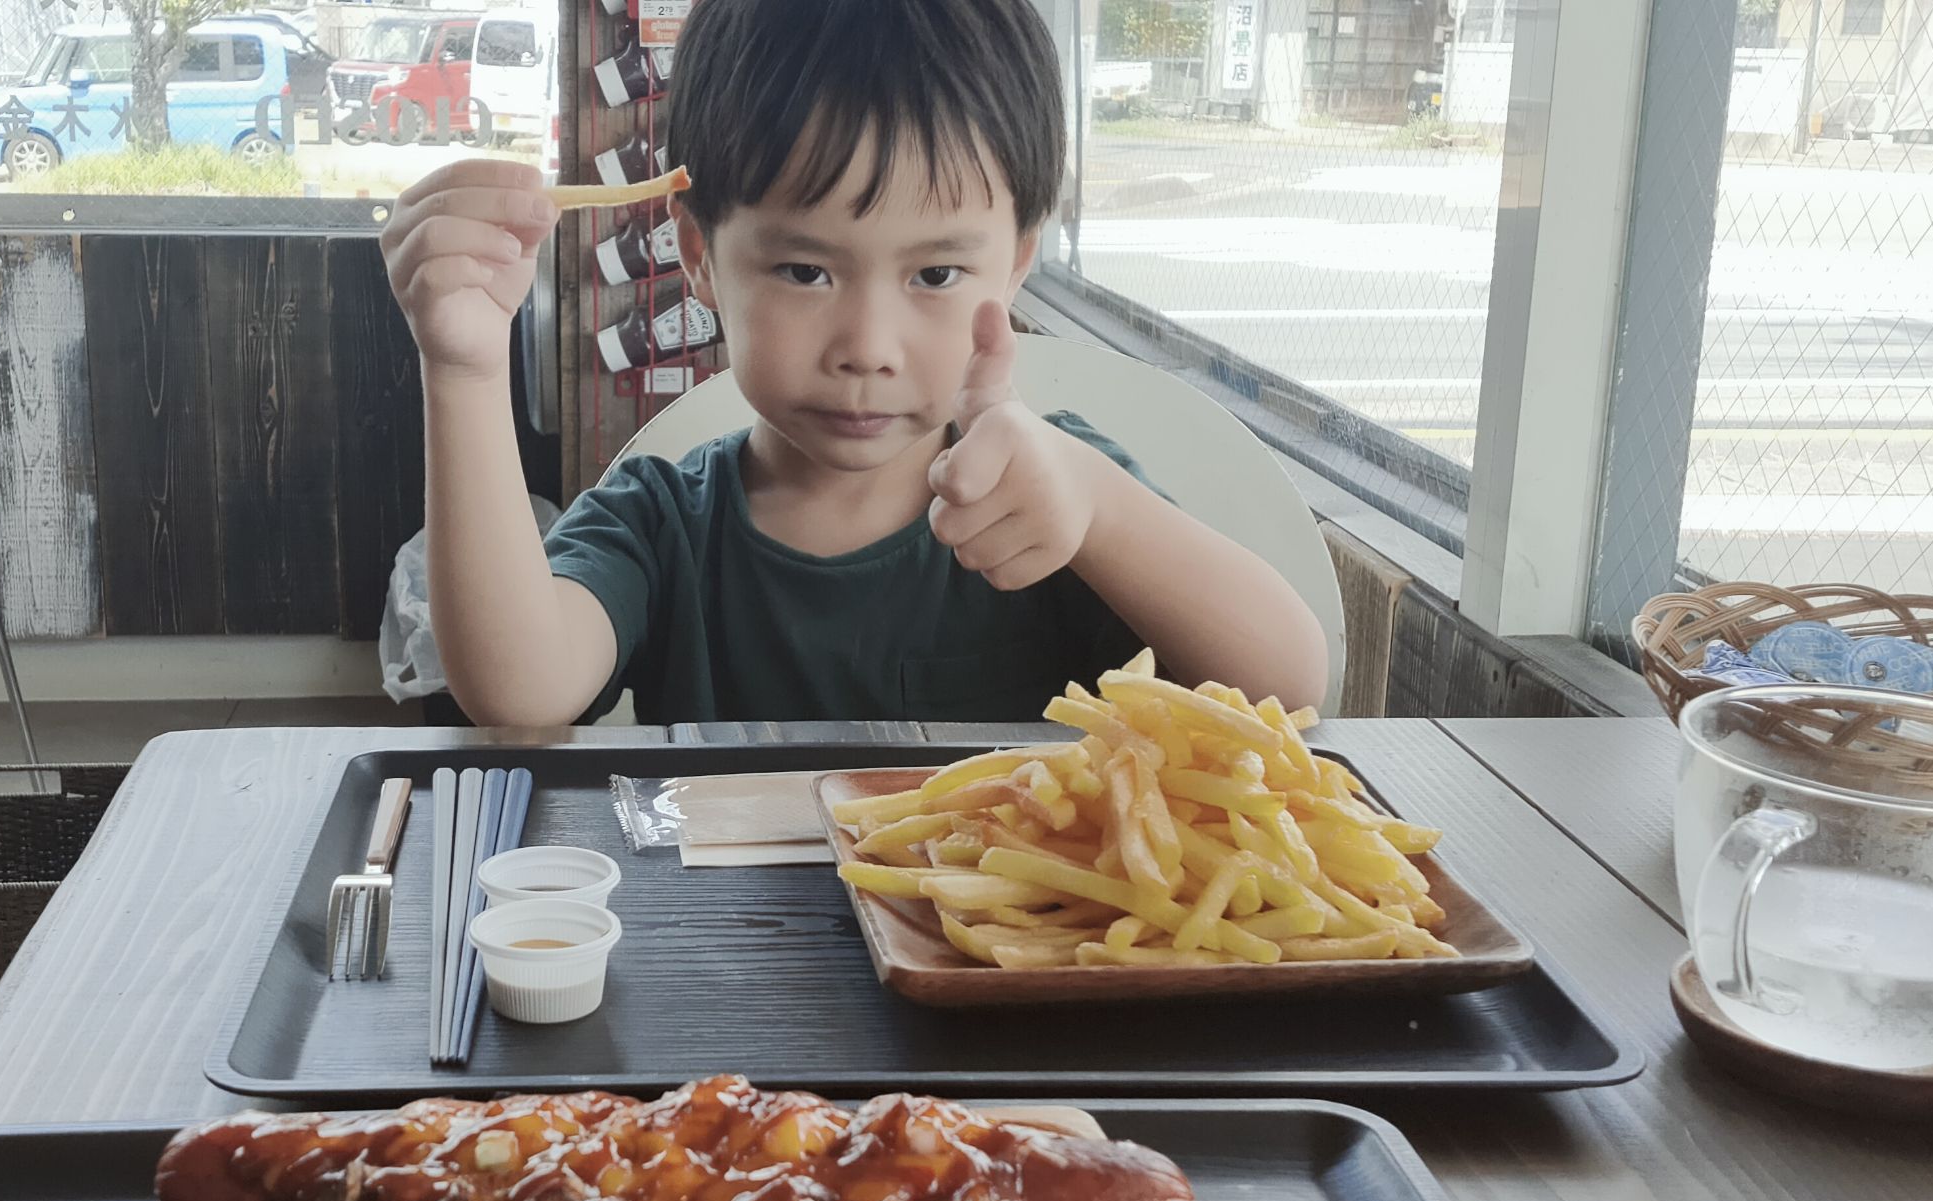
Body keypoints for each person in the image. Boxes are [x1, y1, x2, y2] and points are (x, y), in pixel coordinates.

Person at [379, 0, 1328, 727]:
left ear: (1019, 262)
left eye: (937, 272)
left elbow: (1287, 683)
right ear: (701, 256)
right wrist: (462, 373)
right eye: (805, 269)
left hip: (1013, 976)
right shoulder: (664, 524)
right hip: (737, 975)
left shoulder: (1055, 504)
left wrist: (1099, 508)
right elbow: (517, 688)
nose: (868, 349)